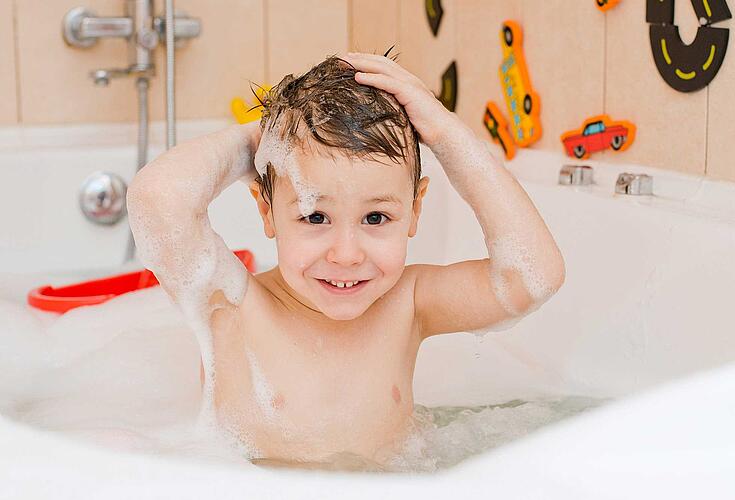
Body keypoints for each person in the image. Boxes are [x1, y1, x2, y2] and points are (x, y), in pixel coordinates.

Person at [126, 52, 565, 470]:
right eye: (315, 216)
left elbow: (533, 277)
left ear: (414, 210)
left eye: (376, 217)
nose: (347, 255)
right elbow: (157, 199)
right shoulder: (234, 307)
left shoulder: (407, 303)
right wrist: (257, 141)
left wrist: (446, 133)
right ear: (266, 211)